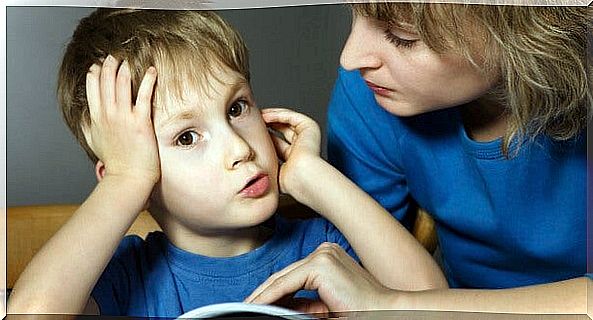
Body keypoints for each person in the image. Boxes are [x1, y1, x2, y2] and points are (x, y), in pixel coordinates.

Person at [7, 8, 446, 317]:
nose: (240, 149)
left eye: (236, 109)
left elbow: (435, 303)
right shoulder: (128, 277)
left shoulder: (325, 248)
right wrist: (126, 178)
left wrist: (313, 176)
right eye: (186, 136)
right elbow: (31, 314)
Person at [246, 2, 592, 314]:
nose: (350, 57)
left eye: (402, 37)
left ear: (528, 33)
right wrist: (316, 180)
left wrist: (395, 303)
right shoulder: (369, 99)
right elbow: (369, 284)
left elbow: (392, 301)